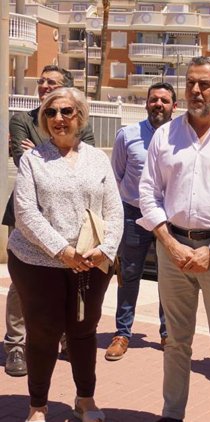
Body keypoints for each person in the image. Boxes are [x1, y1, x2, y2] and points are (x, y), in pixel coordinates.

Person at [137, 56, 210, 422]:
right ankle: (172, 414)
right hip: (172, 250)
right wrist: (169, 244)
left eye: (204, 84)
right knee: (175, 341)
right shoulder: (165, 135)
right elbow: (148, 193)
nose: (195, 90)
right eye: (190, 83)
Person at [7, 87, 123, 422]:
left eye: (66, 112)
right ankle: (38, 405)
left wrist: (104, 249)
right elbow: (26, 213)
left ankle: (85, 399)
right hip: (38, 261)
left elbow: (115, 212)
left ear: (80, 117)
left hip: (90, 261)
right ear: (44, 119)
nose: (59, 119)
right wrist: (63, 250)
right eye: (51, 113)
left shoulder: (98, 158)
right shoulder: (33, 160)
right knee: (43, 331)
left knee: (84, 331)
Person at [4, 65, 96, 376]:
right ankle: (15, 345)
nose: (43, 86)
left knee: (70, 281)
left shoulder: (82, 123)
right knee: (22, 286)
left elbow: (88, 160)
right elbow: (23, 157)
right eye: (42, 81)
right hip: (29, 215)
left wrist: (42, 152)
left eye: (51, 82)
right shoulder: (23, 119)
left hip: (72, 218)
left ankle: (67, 338)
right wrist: (41, 154)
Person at [106, 82, 176, 361]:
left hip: (169, 219)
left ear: (174, 106)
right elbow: (117, 177)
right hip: (134, 216)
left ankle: (167, 332)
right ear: (146, 103)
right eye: (154, 99)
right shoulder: (128, 135)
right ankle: (122, 333)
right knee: (129, 275)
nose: (158, 104)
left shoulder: (180, 137)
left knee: (169, 279)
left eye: (165, 100)